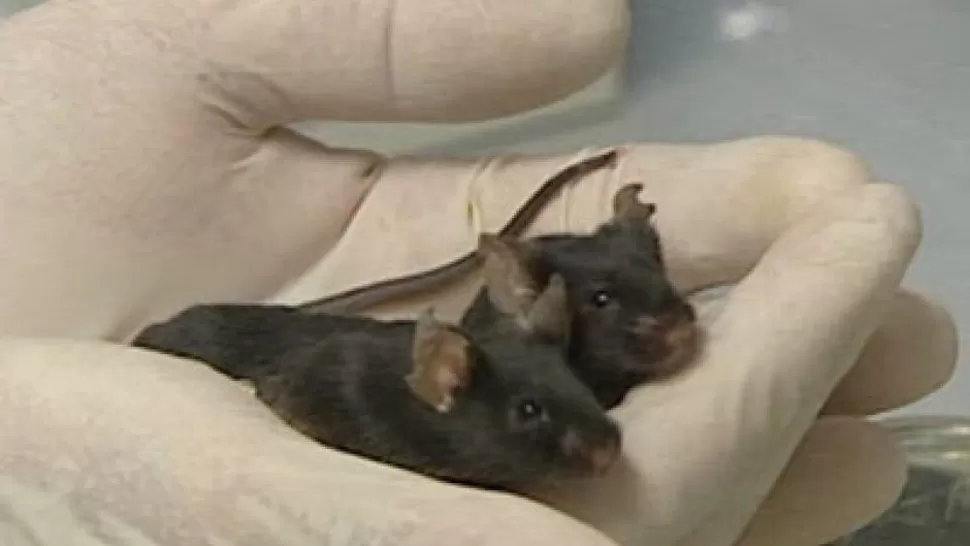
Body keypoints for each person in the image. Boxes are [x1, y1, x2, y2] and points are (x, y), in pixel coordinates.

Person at [0, 1, 957, 545]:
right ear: (442, 379)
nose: (601, 451)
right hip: (215, 355)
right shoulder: (410, 395)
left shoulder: (504, 358)